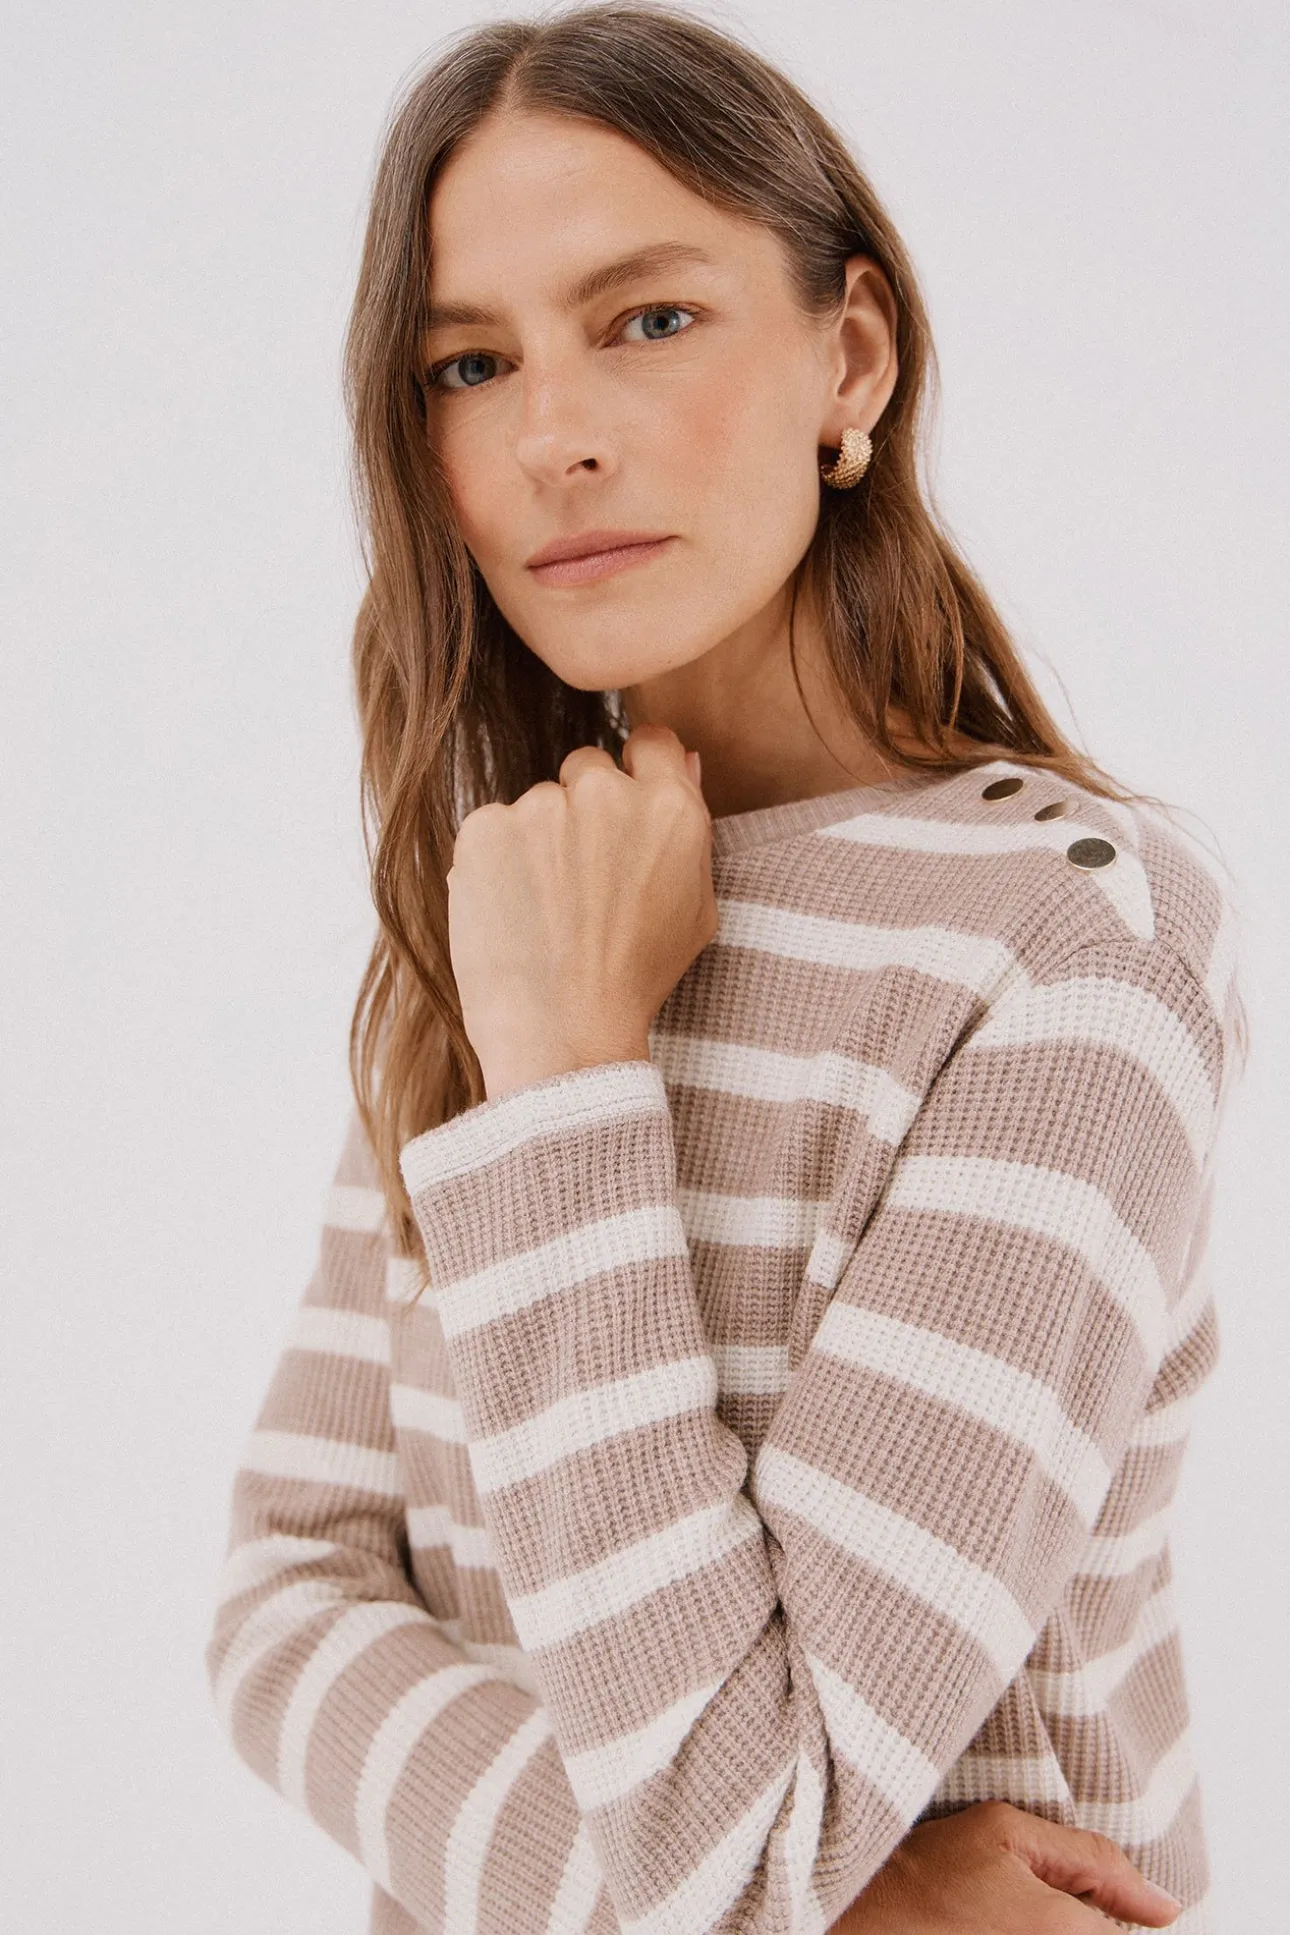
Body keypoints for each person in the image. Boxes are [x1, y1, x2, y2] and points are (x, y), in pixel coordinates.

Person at [204, 6, 1241, 1930]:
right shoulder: (515, 898)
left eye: (648, 318)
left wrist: (566, 1079)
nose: (554, 435)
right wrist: (845, 1903)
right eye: (468, 362)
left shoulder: (1067, 948)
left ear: (849, 358)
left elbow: (741, 1851)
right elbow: (285, 1593)